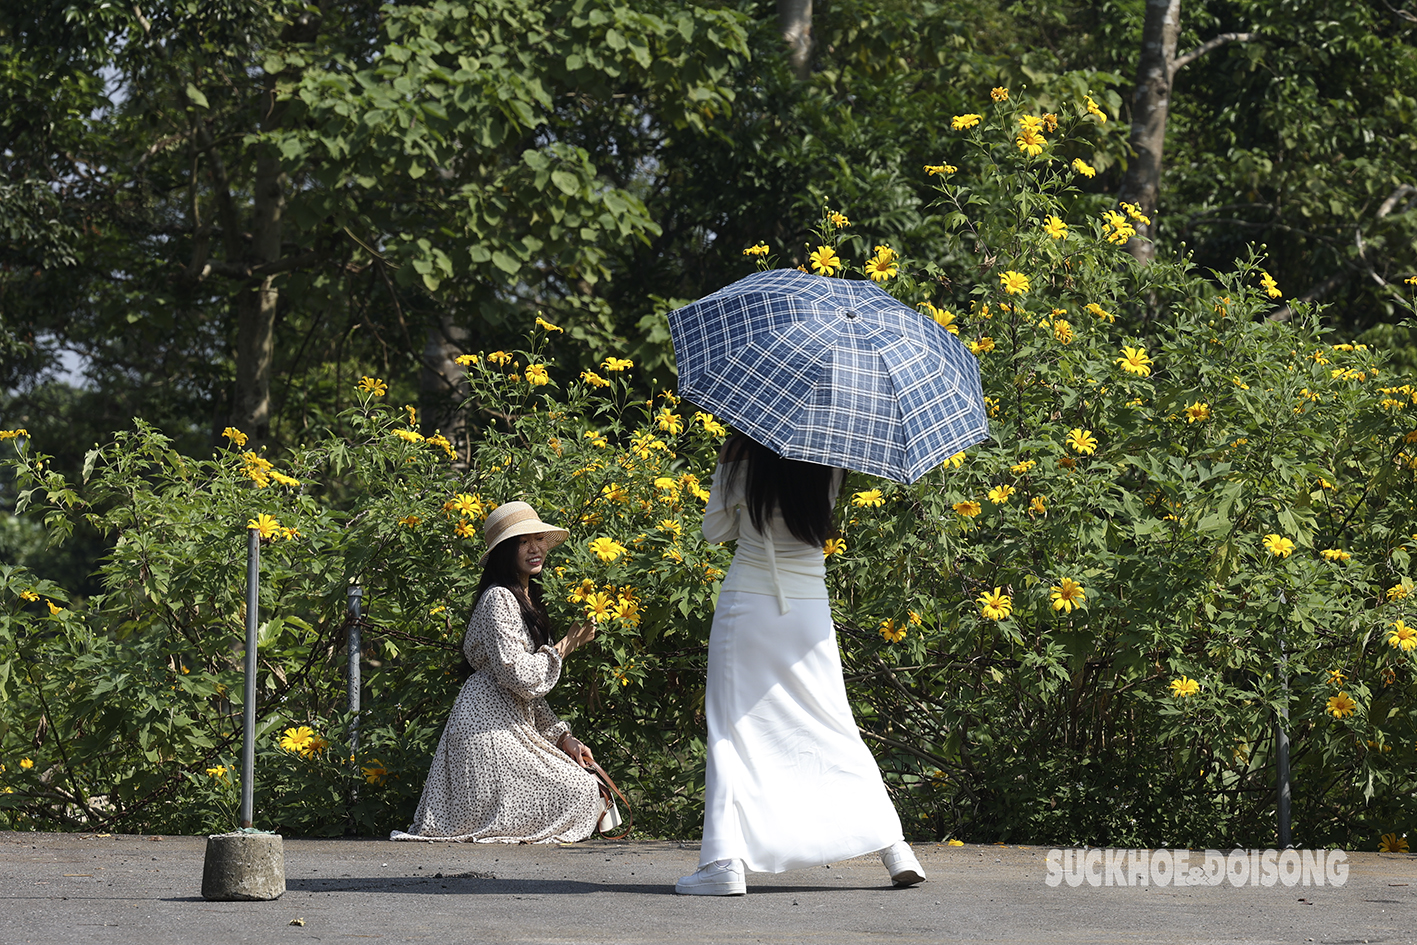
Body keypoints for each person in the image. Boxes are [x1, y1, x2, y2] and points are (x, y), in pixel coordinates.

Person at [675, 435, 926, 895]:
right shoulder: (834, 456)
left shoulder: (743, 451)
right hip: (810, 608)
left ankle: (723, 862)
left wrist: (726, 465)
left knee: (732, 728)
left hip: (749, 603)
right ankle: (896, 848)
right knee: (835, 723)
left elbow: (715, 531)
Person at [392, 500, 611, 844]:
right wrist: (567, 645)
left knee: (585, 785)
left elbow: (528, 695)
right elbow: (520, 677)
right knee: (580, 790)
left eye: (538, 538)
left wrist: (563, 738)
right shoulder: (498, 598)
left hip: (510, 721)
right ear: (505, 551)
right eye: (523, 541)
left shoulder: (527, 599)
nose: (535, 548)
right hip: (486, 729)